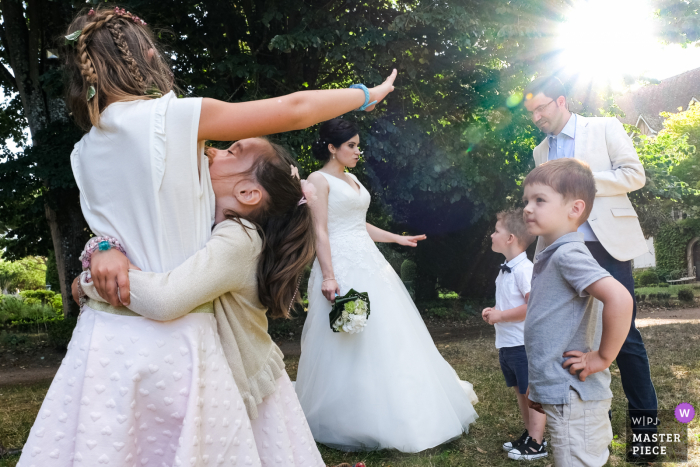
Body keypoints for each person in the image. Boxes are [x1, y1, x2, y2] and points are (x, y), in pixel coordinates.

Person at [17, 5, 396, 466]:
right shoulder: (172, 119)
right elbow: (294, 108)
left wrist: (95, 261)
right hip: (177, 341)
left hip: (100, 340)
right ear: (146, 56)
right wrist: (365, 94)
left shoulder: (82, 151)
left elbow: (110, 232)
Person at [77, 139, 326, 465]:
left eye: (231, 152)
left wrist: (90, 283)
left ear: (248, 193)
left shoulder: (240, 237)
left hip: (243, 385)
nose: (211, 150)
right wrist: (102, 249)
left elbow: (165, 299)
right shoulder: (210, 229)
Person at [294, 118, 479, 453]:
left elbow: (356, 224)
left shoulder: (350, 179)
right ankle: (348, 416)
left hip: (370, 264)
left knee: (388, 333)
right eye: (350, 145)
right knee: (348, 337)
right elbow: (321, 230)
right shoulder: (317, 181)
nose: (357, 151)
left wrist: (396, 238)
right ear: (332, 147)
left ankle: (401, 406)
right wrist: (330, 275)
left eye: (357, 145)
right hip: (340, 267)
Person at [523, 75, 658, 463]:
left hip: (607, 246)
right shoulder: (539, 151)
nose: (536, 116)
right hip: (563, 250)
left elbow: (634, 174)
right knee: (572, 336)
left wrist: (578, 181)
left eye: (541, 108)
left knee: (624, 337)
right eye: (531, 111)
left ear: (561, 101)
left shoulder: (603, 127)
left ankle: (645, 437)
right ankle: (592, 419)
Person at [522, 158, 633, 466]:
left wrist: (601, 357)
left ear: (575, 209)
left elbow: (620, 300)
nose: (528, 208)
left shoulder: (568, 254)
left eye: (539, 200)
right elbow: (550, 327)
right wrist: (541, 383)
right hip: (562, 390)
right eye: (526, 200)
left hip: (576, 394)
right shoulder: (552, 254)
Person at [482, 209, 547, 461]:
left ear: (510, 238)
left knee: (532, 393)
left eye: (496, 231)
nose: (491, 234)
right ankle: (529, 434)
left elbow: (533, 306)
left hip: (523, 344)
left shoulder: (524, 269)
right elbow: (510, 303)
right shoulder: (506, 269)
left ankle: (538, 442)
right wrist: (494, 311)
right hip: (508, 344)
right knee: (521, 392)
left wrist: (501, 315)